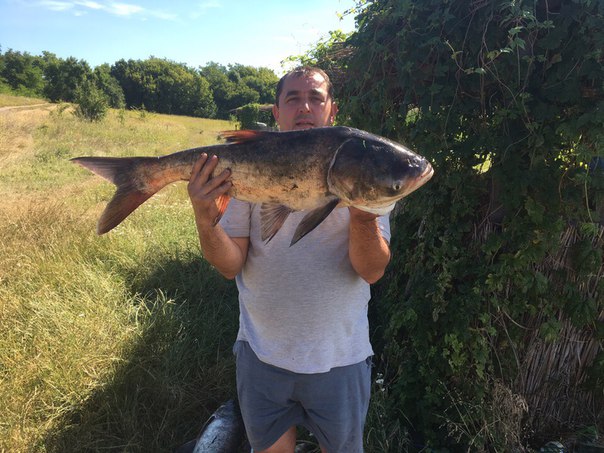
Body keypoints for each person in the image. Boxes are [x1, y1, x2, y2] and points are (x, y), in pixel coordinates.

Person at [187, 66, 391, 453]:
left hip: (339, 357)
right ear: (276, 112)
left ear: (332, 111)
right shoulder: (249, 165)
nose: (304, 107)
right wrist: (204, 217)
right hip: (262, 355)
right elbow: (230, 265)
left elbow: (372, 270)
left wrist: (363, 214)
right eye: (293, 98)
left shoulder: (364, 168)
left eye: (315, 98)